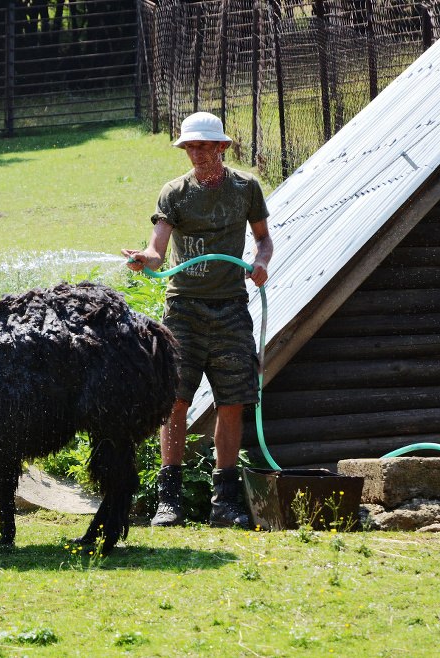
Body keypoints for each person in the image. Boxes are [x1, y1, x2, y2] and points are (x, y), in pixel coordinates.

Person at [122, 112, 273, 529]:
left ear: (222, 148)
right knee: (175, 401)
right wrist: (143, 260)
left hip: (231, 309)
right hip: (184, 310)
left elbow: (263, 238)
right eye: (190, 147)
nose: (196, 155)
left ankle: (224, 503)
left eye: (204, 147)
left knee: (233, 402)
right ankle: (168, 503)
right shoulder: (174, 193)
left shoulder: (245, 188)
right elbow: (157, 249)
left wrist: (260, 262)